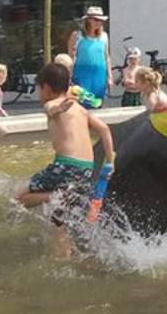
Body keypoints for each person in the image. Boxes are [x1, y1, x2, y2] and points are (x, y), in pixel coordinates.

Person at [14, 63, 115, 255]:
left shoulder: (51, 104)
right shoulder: (80, 109)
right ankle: (65, 253)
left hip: (66, 164)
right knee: (58, 220)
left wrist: (57, 109)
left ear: (47, 88)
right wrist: (110, 162)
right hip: (86, 168)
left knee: (20, 198)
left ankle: (55, 196)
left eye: (38, 88)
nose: (38, 93)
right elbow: (105, 130)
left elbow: (51, 109)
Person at [67, 6, 111, 108]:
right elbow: (70, 57)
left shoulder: (104, 36)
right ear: (88, 20)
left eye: (101, 20)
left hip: (99, 75)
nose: (98, 23)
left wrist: (109, 77)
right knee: (82, 102)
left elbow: (107, 57)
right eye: (96, 20)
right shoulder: (77, 35)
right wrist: (68, 75)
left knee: (97, 102)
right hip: (81, 75)